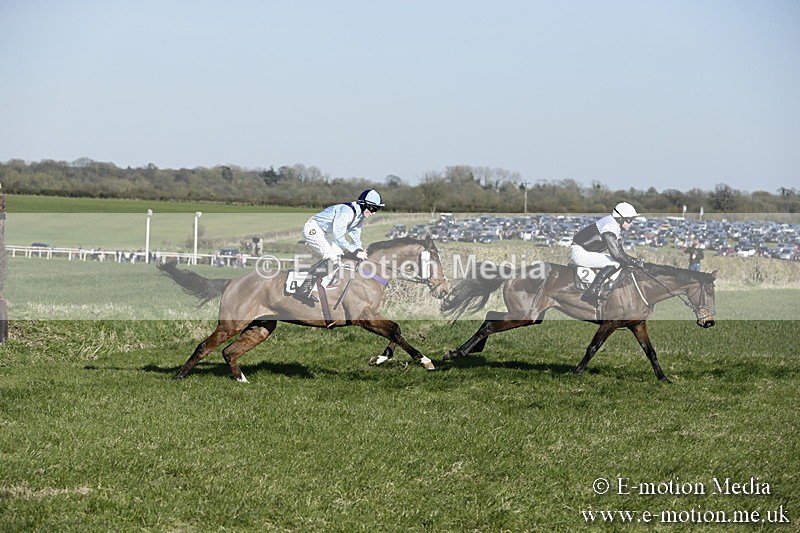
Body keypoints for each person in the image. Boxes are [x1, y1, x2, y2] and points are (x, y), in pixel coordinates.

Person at [294, 189, 384, 304]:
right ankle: (304, 289)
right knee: (331, 257)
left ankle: (322, 286)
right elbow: (338, 236)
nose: (374, 213)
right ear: (364, 205)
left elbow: (355, 238)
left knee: (339, 255)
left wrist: (359, 250)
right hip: (313, 228)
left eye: (377, 209)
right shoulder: (347, 211)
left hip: (322, 232)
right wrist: (355, 252)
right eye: (373, 209)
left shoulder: (359, 217)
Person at [569, 202, 645, 306]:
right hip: (580, 253)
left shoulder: (614, 225)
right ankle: (592, 290)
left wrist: (633, 260)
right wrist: (634, 262)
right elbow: (617, 255)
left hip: (583, 251)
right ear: (620, 218)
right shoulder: (610, 225)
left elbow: (620, 252)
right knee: (616, 263)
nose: (631, 223)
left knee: (619, 262)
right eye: (629, 220)